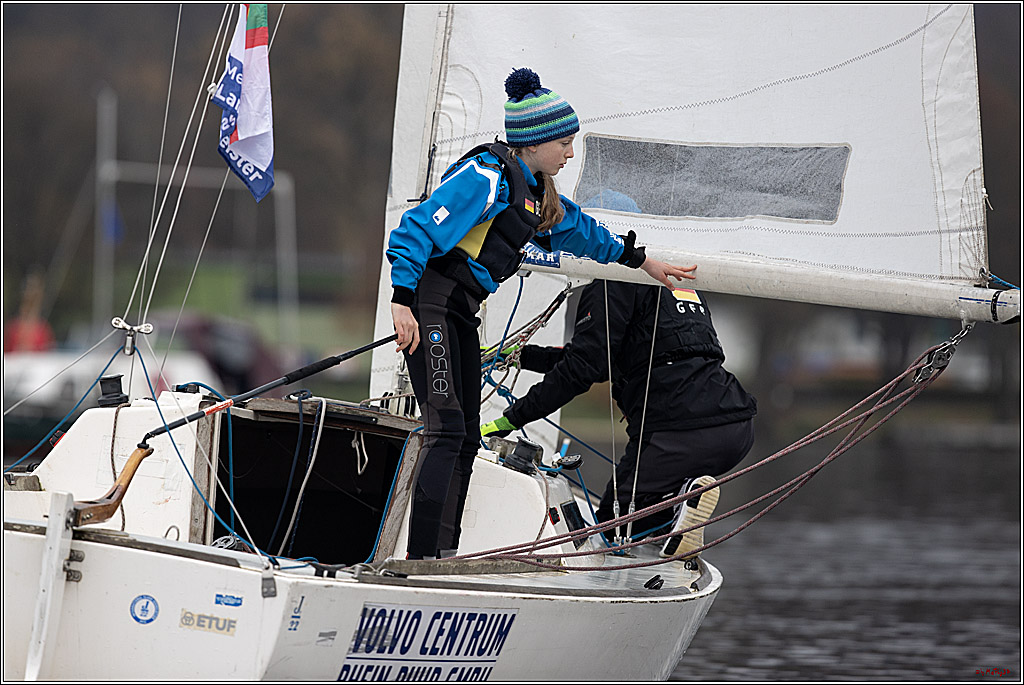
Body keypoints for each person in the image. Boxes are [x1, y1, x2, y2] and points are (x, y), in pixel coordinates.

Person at [387, 67, 697, 560]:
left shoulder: (535, 193)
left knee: (466, 438)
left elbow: (584, 232)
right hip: (430, 307)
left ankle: (441, 557)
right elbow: (414, 230)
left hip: (459, 314)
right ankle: (419, 559)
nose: (571, 154)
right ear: (536, 141)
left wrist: (643, 262)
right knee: (446, 432)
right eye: (566, 143)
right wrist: (401, 300)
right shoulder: (486, 176)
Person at [481, 279, 756, 558]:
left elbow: (583, 367)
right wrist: (521, 356)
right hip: (736, 424)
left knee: (614, 527)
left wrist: (511, 420)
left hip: (680, 429)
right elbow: (601, 359)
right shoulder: (670, 282)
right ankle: (679, 509)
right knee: (633, 514)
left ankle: (678, 508)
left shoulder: (613, 281)